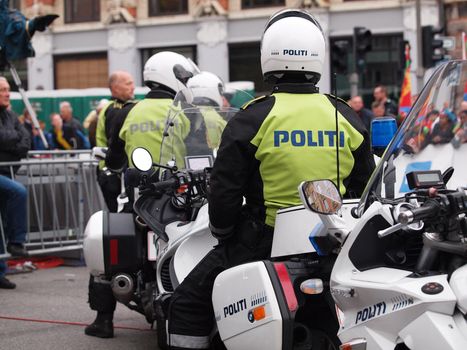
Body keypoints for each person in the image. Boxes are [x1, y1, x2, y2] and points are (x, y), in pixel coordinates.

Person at [166, 9, 375, 350]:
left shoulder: (254, 117)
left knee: (187, 303)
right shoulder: (345, 114)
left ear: (268, 56)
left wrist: (223, 232)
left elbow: (225, 190)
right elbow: (364, 186)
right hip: (331, 243)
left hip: (263, 241)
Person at [84, 53, 198, 339]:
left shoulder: (128, 112)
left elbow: (113, 158)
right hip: (178, 200)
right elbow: (199, 154)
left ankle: (103, 320)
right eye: (183, 77)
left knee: (108, 244)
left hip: (137, 200)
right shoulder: (184, 112)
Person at [0, 76, 30, 289]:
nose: (7, 93)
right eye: (2, 89)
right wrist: (13, 139)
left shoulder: (10, 115)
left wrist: (9, 140)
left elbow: (26, 141)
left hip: (7, 172)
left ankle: (0, 272)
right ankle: (17, 242)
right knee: (19, 192)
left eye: (8, 89)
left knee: (0, 224)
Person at [95, 71, 135, 213]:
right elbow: (116, 144)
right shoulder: (115, 110)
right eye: (128, 83)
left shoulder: (112, 108)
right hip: (113, 175)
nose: (133, 87)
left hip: (112, 173)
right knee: (123, 220)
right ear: (116, 88)